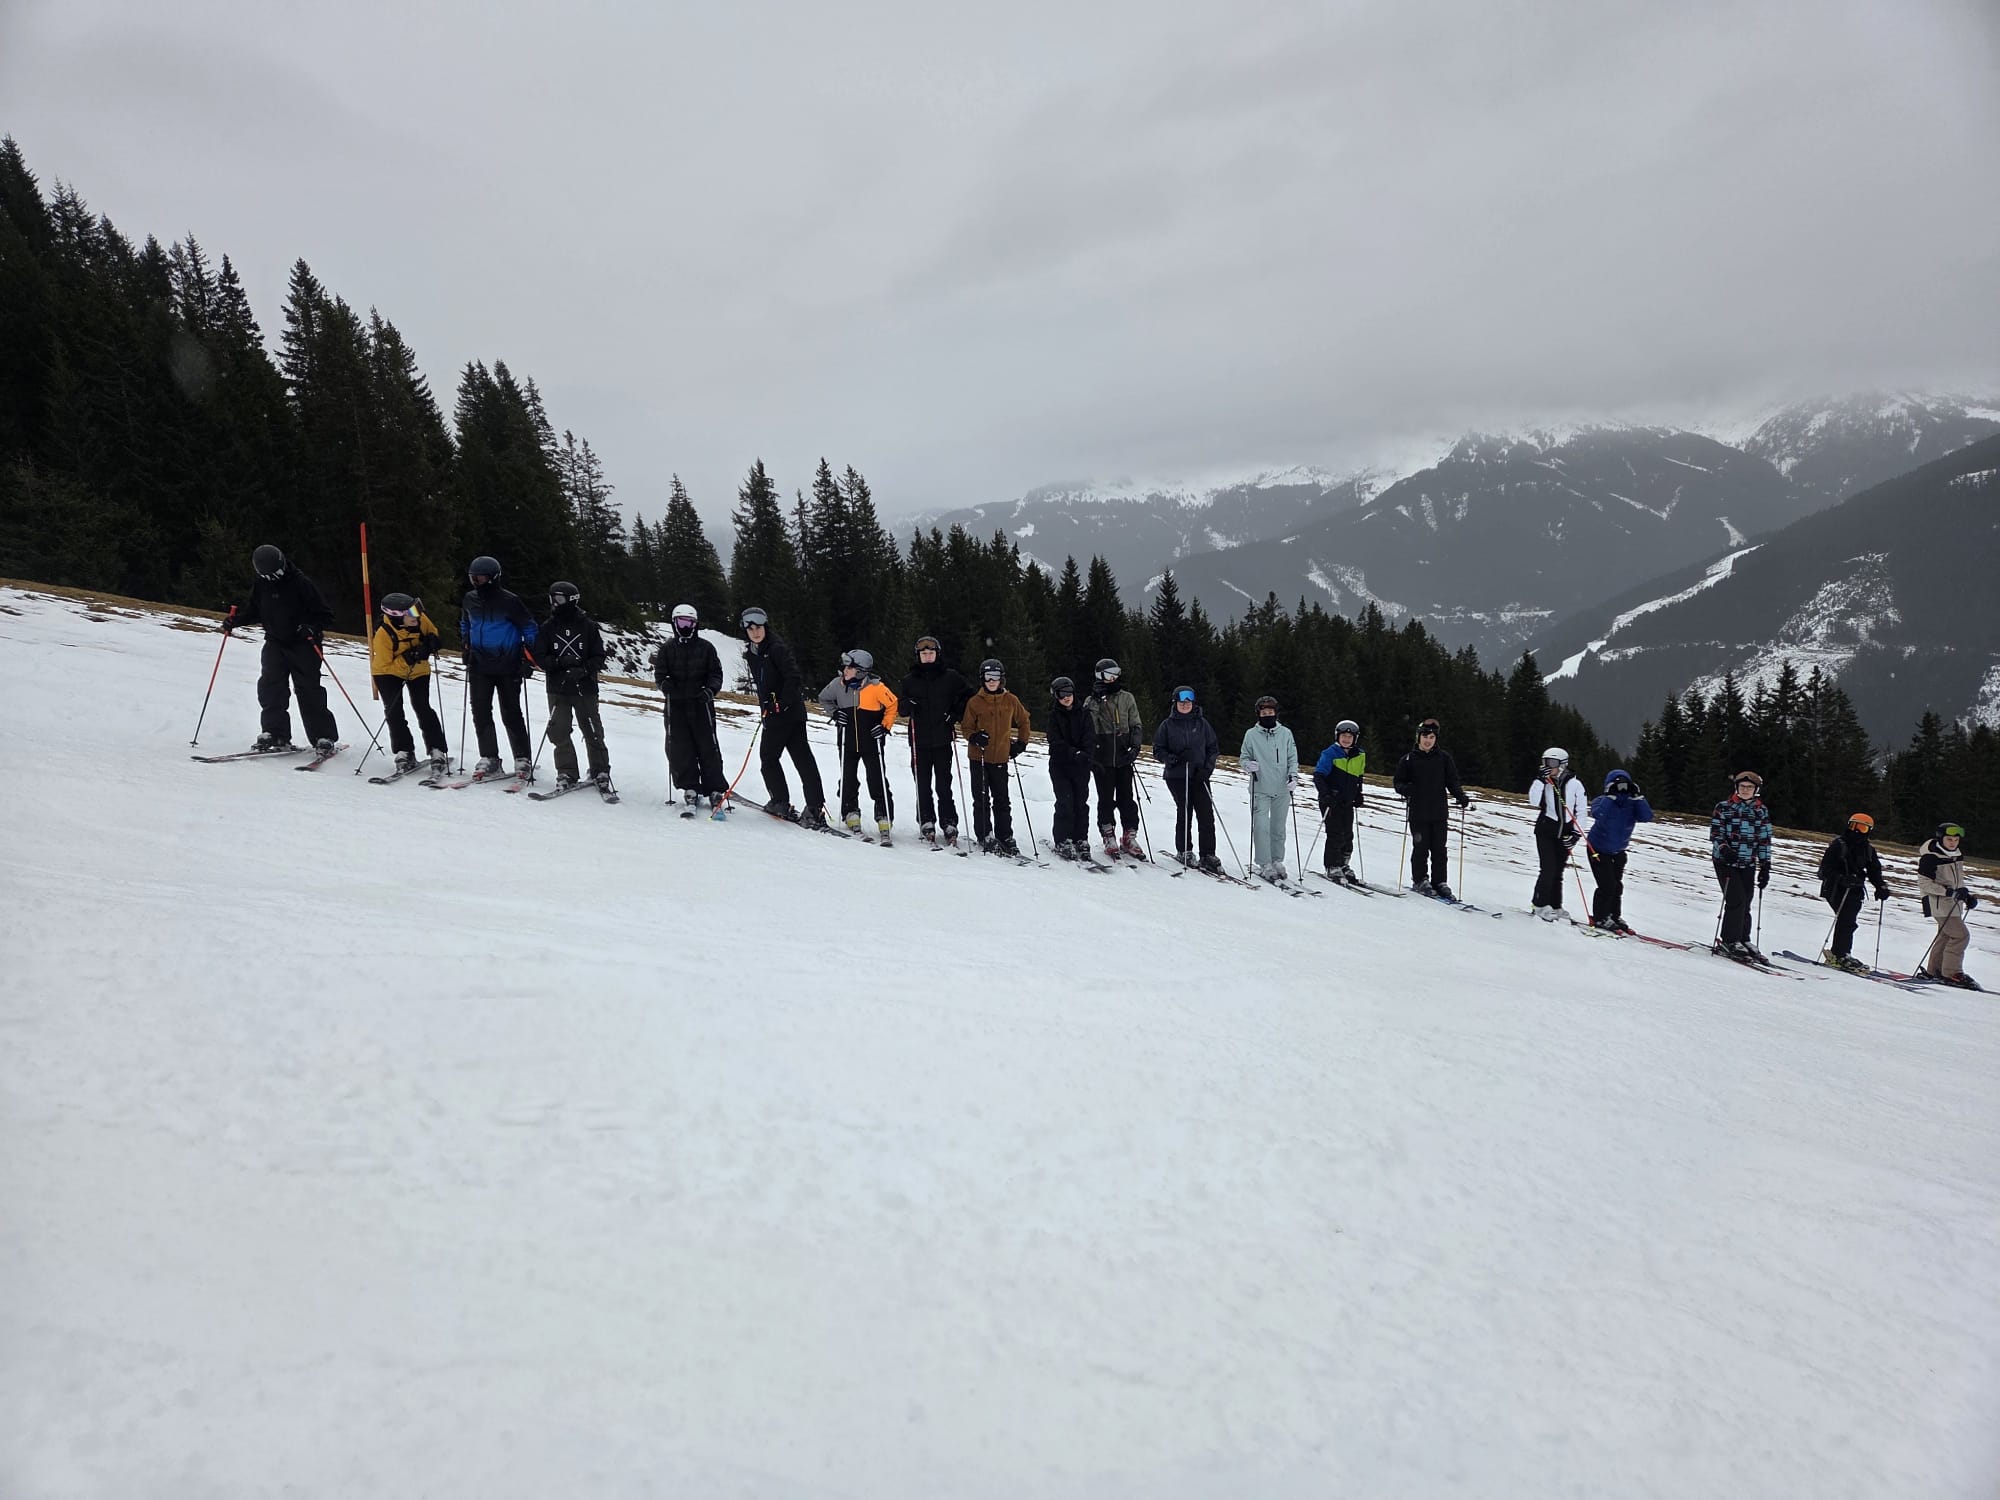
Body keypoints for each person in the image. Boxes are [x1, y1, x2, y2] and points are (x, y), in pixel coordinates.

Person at [223, 543, 337, 754]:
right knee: (270, 687)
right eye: (267, 575)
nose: (273, 578)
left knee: (308, 690)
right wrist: (235, 622)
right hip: (275, 642)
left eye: (276, 573)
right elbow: (256, 611)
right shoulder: (261, 584)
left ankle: (323, 736)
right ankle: (275, 733)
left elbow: (325, 615)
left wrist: (310, 626)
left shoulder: (301, 583)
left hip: (304, 644)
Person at [741, 606, 828, 827]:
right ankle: (809, 807)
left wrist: (781, 703)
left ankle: (790, 803)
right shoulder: (753, 653)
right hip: (776, 714)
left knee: (772, 759)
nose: (755, 632)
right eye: (750, 629)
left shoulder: (776, 649)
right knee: (798, 759)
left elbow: (793, 678)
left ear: (765, 627)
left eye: (758, 627)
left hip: (786, 713)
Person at [459, 555, 539, 777]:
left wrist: (528, 659)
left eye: (480, 578)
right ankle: (489, 756)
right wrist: (466, 646)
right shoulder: (469, 599)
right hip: (479, 665)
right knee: (480, 711)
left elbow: (530, 628)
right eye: (473, 578)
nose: (476, 583)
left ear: (493, 578)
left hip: (508, 664)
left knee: (511, 712)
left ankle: (522, 758)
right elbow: (465, 622)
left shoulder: (510, 601)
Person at [651, 603, 728, 809]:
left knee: (708, 746)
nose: (685, 626)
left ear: (695, 624)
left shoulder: (706, 648)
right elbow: (660, 674)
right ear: (674, 623)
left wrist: (709, 691)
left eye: (689, 622)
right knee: (679, 747)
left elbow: (715, 674)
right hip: (676, 705)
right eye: (681, 622)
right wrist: (665, 685)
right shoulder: (667, 648)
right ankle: (690, 786)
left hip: (701, 704)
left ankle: (714, 787)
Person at [897, 635, 971, 845]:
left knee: (943, 784)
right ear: (918, 656)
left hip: (942, 740)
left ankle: (949, 822)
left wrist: (954, 714)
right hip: (918, 741)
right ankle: (926, 820)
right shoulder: (910, 680)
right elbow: (901, 708)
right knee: (922, 783)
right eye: (923, 653)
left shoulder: (950, 677)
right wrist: (908, 704)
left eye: (930, 653)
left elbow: (968, 696)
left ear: (937, 654)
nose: (927, 656)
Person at [817, 648, 901, 836]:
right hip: (847, 739)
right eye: (846, 666)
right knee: (848, 777)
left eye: (850, 667)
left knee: (876, 778)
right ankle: (850, 811)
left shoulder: (876, 687)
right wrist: (835, 713)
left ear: (862, 671)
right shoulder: (837, 684)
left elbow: (893, 704)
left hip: (871, 741)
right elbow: (824, 699)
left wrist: (885, 726)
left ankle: (884, 814)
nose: (845, 670)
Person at [538, 581, 611, 790]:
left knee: (592, 730)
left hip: (584, 687)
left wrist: (585, 669)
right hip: (557, 687)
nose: (554, 603)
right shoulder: (547, 627)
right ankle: (567, 772)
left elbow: (599, 656)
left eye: (558, 599)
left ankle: (600, 770)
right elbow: (541, 656)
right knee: (558, 730)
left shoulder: (588, 626)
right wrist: (560, 663)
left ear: (571, 601)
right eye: (551, 598)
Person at [368, 591, 448, 774]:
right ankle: (405, 750)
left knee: (423, 707)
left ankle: (437, 749)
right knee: (394, 710)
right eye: (411, 612)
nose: (417, 615)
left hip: (418, 670)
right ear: (396, 617)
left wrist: (432, 643)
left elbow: (432, 633)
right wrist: (408, 658)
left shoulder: (419, 619)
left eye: (416, 609)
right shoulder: (383, 635)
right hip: (387, 673)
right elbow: (385, 665)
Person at [958, 659, 1031, 855]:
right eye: (988, 677)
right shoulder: (975, 702)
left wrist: (1021, 744)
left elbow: (1024, 721)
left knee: (1002, 800)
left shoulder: (1011, 700)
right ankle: (984, 834)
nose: (992, 681)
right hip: (979, 758)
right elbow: (966, 727)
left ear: (1002, 679)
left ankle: (1005, 835)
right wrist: (974, 736)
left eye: (996, 677)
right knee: (981, 799)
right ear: (983, 679)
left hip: (1000, 758)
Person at [1392, 717, 1470, 900]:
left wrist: (1460, 796)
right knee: (1421, 848)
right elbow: (1398, 782)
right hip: (1418, 812)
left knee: (1439, 849)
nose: (1428, 740)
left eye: (1432, 737)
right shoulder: (1408, 759)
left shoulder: (1444, 758)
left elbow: (1452, 781)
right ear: (1418, 737)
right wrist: (1405, 789)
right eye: (1425, 736)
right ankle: (1420, 879)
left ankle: (1440, 882)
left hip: (1439, 812)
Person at [1154, 684, 1221, 872]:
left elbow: (1213, 748)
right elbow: (1158, 749)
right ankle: (1184, 849)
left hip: (1199, 775)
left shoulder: (1202, 724)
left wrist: (1207, 770)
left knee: (1206, 814)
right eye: (1181, 702)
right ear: (1175, 704)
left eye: (1188, 702)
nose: (1185, 705)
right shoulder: (1167, 725)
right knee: (1185, 811)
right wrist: (1170, 758)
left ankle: (1208, 853)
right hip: (1177, 776)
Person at [1085, 658, 1146, 860]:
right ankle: (1108, 833)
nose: (1113, 678)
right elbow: (1088, 726)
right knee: (1105, 799)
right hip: (1103, 757)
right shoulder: (1092, 700)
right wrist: (1095, 702)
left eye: (1116, 673)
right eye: (1109, 674)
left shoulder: (1126, 697)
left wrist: (1135, 747)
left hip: (1123, 755)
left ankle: (1129, 835)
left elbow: (1136, 723)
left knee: (1126, 799)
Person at [1709, 770, 1773, 961]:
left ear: (1756, 790)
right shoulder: (1724, 807)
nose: (1746, 790)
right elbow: (1716, 833)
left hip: (1748, 862)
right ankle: (1729, 940)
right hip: (1726, 861)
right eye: (1742, 787)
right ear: (1736, 788)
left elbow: (1764, 839)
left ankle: (1743, 939)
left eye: (1750, 787)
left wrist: (1765, 865)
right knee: (1735, 899)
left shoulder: (1761, 810)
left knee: (1746, 900)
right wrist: (1725, 849)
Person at [1817, 813, 1889, 972]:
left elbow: (1874, 870)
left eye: (1861, 828)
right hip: (1835, 889)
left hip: (1855, 890)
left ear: (1868, 831)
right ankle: (1839, 953)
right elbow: (1824, 869)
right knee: (1846, 920)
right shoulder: (1838, 845)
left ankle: (1842, 953)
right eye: (1853, 826)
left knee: (1848, 921)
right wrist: (1842, 878)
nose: (1856, 831)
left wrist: (1880, 886)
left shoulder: (1868, 849)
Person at [1584, 769, 1654, 932]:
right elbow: (1598, 814)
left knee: (1617, 886)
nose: (1621, 788)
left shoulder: (1632, 803)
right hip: (1598, 848)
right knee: (1607, 885)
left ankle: (1614, 915)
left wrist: (1638, 796)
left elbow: (1647, 817)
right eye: (1617, 785)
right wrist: (1610, 796)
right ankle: (1601, 917)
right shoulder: (1602, 800)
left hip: (1618, 851)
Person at [1239, 695, 1299, 880]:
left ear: (1275, 713)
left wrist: (1293, 776)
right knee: (1261, 826)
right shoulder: (1251, 734)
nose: (1267, 715)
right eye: (1264, 712)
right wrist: (1248, 765)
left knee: (1278, 826)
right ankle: (1264, 862)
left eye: (1270, 712)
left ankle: (1277, 859)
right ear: (1258, 714)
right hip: (1260, 787)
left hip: (1282, 787)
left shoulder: (1285, 733)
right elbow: (1243, 757)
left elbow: (1292, 757)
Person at [1528, 746, 1590, 921]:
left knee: (1558, 872)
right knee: (1547, 868)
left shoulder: (1575, 784)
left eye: (1552, 763)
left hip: (1565, 833)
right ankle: (1539, 904)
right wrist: (1540, 780)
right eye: (1545, 762)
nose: (1549, 766)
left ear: (1563, 764)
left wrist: (1576, 835)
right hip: (1546, 830)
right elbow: (1533, 801)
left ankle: (1555, 905)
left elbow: (1581, 811)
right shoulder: (1544, 782)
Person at [1915, 821, 1981, 988]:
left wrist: (1966, 896)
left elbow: (1956, 880)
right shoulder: (1930, 857)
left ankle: (1934, 971)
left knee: (1945, 936)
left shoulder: (1956, 855)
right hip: (1937, 902)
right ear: (1941, 838)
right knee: (1960, 935)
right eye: (1949, 839)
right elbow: (1924, 884)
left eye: (1956, 840)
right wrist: (1949, 892)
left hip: (1952, 904)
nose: (1953, 843)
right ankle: (1952, 973)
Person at [1045, 676, 1096, 860]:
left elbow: (1090, 738)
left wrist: (1085, 756)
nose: (1066, 697)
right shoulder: (1054, 716)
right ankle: (1062, 839)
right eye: (1062, 694)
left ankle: (1080, 838)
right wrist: (1073, 753)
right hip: (1061, 766)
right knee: (1065, 803)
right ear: (1056, 696)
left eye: (1069, 693)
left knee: (1080, 804)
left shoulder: (1084, 713)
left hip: (1081, 767)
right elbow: (1054, 741)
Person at [1311, 719, 1366, 881]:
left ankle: (1343, 863)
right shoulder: (1330, 754)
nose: (1346, 739)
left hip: (1347, 801)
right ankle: (1332, 865)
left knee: (1348, 835)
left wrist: (1358, 793)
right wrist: (1326, 795)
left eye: (1350, 736)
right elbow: (1318, 776)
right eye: (1344, 736)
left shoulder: (1360, 755)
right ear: (1337, 736)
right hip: (1331, 801)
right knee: (1335, 833)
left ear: (1355, 738)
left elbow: (1359, 776)